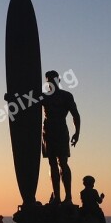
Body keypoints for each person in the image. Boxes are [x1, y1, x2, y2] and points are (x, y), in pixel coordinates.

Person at [41, 70, 80, 204]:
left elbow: (75, 115)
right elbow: (25, 103)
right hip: (48, 131)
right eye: (48, 80)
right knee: (52, 163)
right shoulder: (44, 97)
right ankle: (57, 197)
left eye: (53, 79)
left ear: (58, 80)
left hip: (61, 129)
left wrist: (77, 132)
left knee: (62, 162)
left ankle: (68, 197)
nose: (51, 82)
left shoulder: (66, 96)